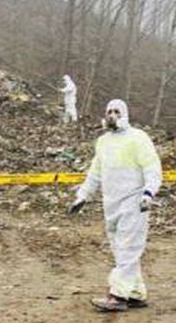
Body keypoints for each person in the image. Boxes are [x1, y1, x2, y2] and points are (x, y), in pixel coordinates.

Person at [69, 98, 163, 312]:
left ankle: (117, 295)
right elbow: (95, 172)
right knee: (121, 251)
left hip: (134, 201)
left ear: (125, 114)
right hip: (111, 203)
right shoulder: (103, 142)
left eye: (116, 111)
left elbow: (152, 167)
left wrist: (149, 192)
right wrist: (82, 196)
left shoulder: (138, 139)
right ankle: (136, 293)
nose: (112, 115)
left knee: (129, 248)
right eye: (109, 111)